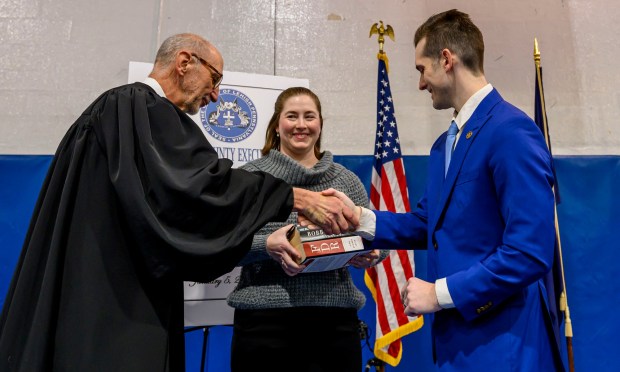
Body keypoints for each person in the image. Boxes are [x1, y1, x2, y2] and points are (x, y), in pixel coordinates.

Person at [0, 34, 357, 372]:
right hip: (115, 302)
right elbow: (198, 189)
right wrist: (293, 197)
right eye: (214, 79)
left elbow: (169, 211)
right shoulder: (137, 106)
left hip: (95, 288)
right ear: (185, 62)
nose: (215, 95)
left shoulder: (118, 113)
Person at [327, 9, 564, 371]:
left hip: (505, 345)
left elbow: (529, 253)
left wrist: (438, 294)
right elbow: (428, 222)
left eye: (422, 69)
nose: (421, 83)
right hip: (457, 344)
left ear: (446, 59)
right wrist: (360, 218)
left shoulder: (512, 132)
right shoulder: (444, 145)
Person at [227, 87, 383, 372]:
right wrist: (267, 245)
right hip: (263, 326)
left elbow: (377, 239)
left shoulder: (345, 181)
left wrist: (372, 253)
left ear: (320, 124)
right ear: (277, 124)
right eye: (292, 116)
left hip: (335, 327)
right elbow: (225, 248)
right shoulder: (249, 178)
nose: (301, 125)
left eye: (309, 116)